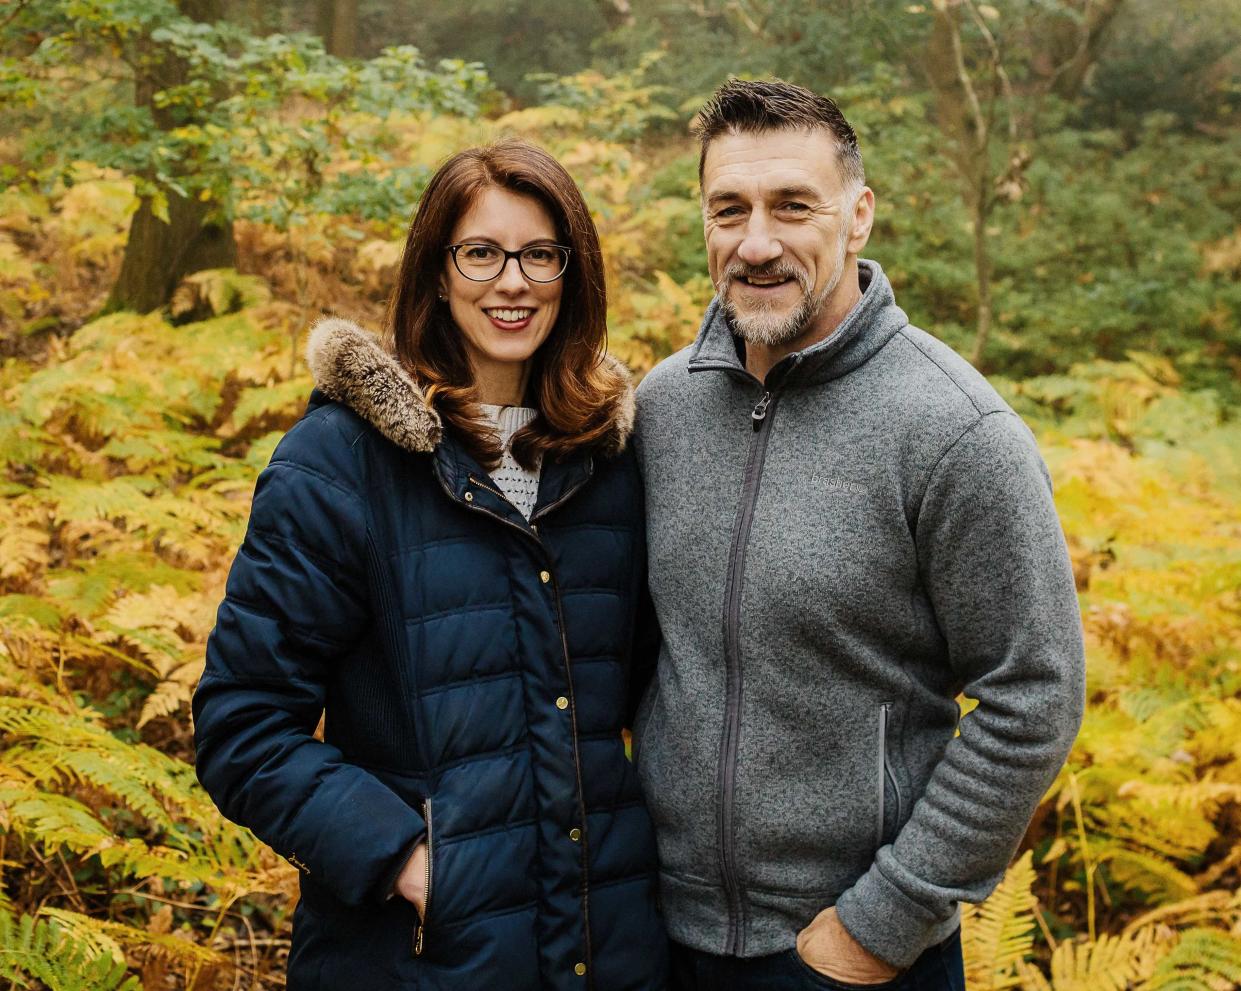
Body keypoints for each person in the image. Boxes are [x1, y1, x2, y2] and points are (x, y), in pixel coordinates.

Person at [631, 78, 1085, 990]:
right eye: (730, 209)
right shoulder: (660, 408)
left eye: (792, 205)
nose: (756, 242)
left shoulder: (956, 431)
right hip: (656, 933)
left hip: (851, 952)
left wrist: (881, 924)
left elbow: (1034, 693)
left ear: (859, 216)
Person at [193, 139, 668, 991]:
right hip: (413, 958)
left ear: (574, 272)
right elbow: (243, 724)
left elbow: (640, 697)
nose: (512, 282)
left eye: (539, 254)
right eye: (480, 253)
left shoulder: (607, 461)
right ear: (437, 273)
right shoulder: (339, 463)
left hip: (609, 947)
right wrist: (406, 858)